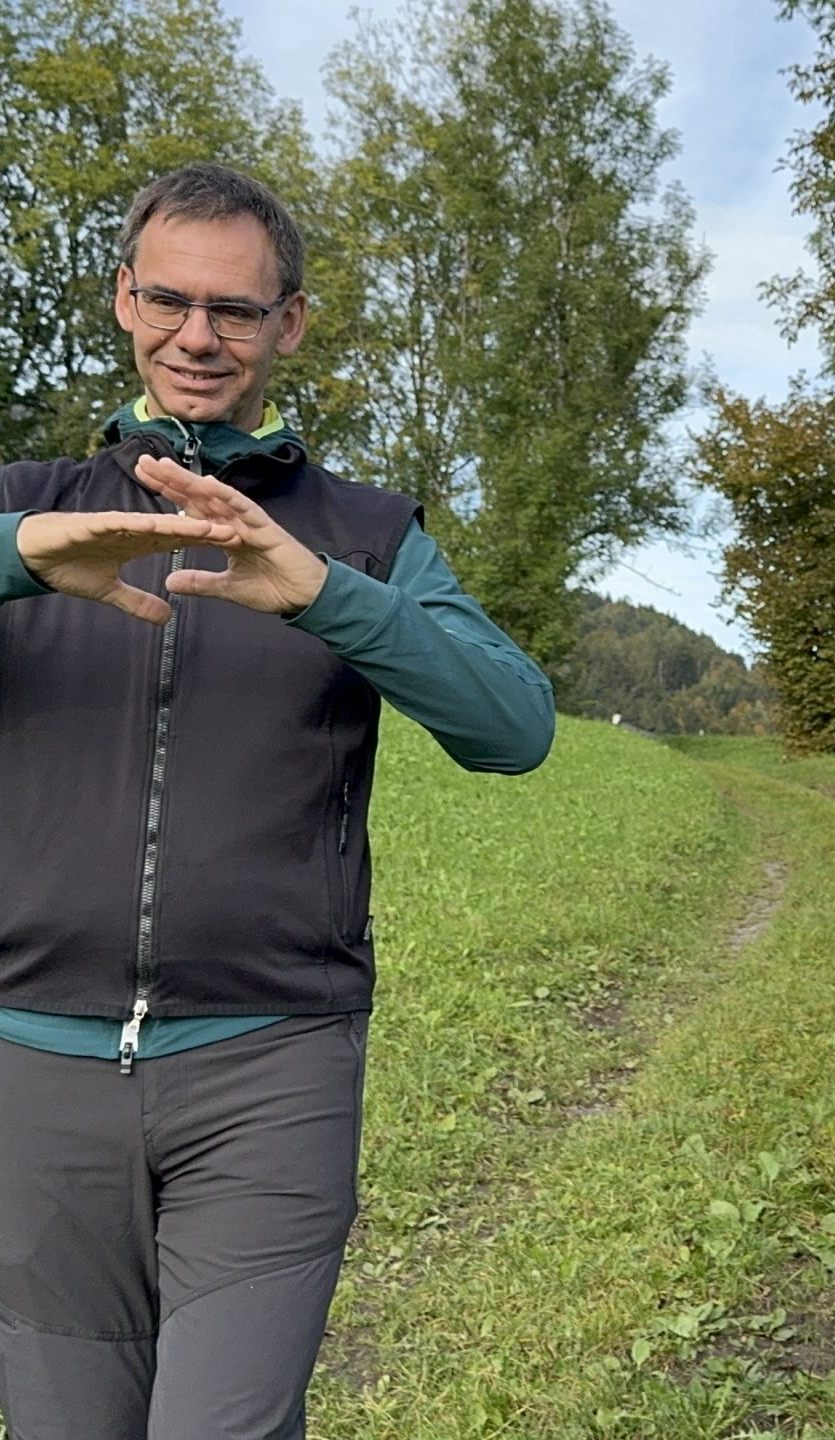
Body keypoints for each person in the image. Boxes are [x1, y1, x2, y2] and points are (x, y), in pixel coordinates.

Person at [0, 162, 555, 1438]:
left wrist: (319, 593)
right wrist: (25, 559)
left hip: (271, 1067)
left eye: (237, 310)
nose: (200, 336)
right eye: (172, 300)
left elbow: (513, 727)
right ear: (125, 300)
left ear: (288, 323)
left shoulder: (363, 535)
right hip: (32, 1071)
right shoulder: (33, 507)